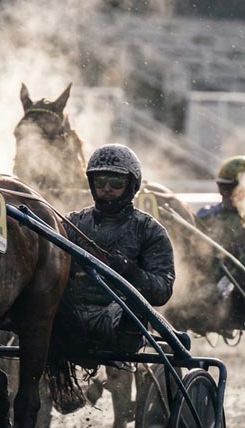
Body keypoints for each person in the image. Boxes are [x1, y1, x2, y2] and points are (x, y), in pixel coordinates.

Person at [52, 144, 176, 359]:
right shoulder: (72, 223)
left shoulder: (149, 230)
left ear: (131, 185)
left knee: (131, 310)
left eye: (116, 182)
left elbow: (163, 290)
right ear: (92, 183)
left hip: (121, 321)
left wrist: (130, 270)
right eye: (100, 181)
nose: (107, 188)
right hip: (71, 317)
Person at [193, 155, 245, 332]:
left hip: (235, 300)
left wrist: (241, 259)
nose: (224, 193)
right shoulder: (205, 216)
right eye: (222, 187)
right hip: (198, 292)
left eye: (230, 188)